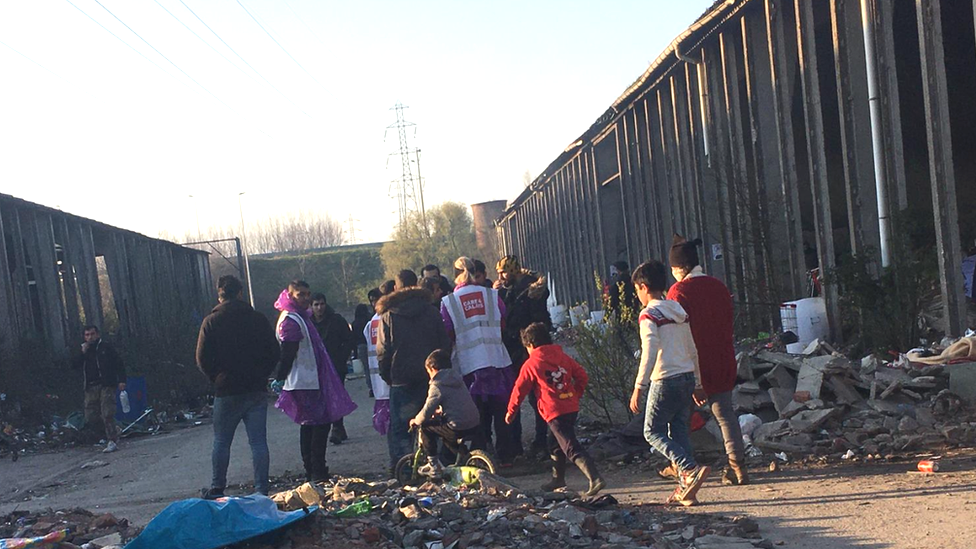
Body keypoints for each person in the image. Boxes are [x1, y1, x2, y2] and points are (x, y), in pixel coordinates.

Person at [628, 260, 710, 506]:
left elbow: (649, 349)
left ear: (643, 287)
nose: (637, 296)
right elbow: (692, 348)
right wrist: (697, 381)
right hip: (686, 376)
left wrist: (638, 386)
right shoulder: (677, 311)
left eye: (636, 290)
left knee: (651, 431)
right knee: (680, 430)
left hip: (665, 378)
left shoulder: (648, 315)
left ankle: (688, 468)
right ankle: (686, 488)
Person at [668, 235, 749, 485]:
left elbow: (678, 335)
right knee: (725, 415)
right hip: (723, 361)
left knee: (678, 419)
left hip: (692, 367)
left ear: (679, 268)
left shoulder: (678, 292)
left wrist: (695, 378)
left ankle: (683, 468)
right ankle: (738, 467)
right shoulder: (719, 286)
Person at [195, 275, 280, 499]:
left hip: (226, 390)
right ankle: (261, 489)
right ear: (240, 293)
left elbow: (201, 358)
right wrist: (262, 374)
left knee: (222, 441)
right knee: (258, 442)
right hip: (255, 389)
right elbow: (274, 351)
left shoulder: (211, 322)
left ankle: (217, 487)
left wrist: (216, 377)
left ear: (219, 294)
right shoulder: (258, 319)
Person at [505, 323, 605, 497]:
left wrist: (511, 412)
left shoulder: (531, 364)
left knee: (569, 445)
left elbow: (519, 390)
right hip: (570, 407)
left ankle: (595, 477)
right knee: (555, 444)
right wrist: (575, 394)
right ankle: (558, 479)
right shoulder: (563, 357)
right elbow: (582, 375)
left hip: (554, 411)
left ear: (530, 345)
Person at [271, 280, 357, 482]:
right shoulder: (292, 320)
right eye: (301, 294)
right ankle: (316, 469)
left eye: (307, 294)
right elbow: (288, 352)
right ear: (291, 296)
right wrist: (281, 377)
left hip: (308, 378)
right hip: (304, 380)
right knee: (317, 425)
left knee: (310, 425)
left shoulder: (300, 317)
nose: (306, 298)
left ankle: (314, 469)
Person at [441, 257, 515, 465]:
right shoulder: (492, 295)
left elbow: (448, 332)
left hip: (468, 365)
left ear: (456, 275)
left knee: (475, 415)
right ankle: (507, 455)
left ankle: (480, 456)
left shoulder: (449, 302)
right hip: (496, 360)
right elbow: (502, 321)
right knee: (501, 412)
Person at [376, 269, 452, 472]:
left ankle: (404, 471)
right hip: (432, 377)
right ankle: (439, 465)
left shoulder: (388, 315)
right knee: (435, 424)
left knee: (401, 429)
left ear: (395, 288)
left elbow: (383, 351)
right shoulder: (431, 310)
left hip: (402, 379)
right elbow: (444, 344)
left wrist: (388, 375)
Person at [494, 255, 551, 457]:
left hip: (527, 351)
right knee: (526, 398)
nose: (501, 276)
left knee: (532, 398)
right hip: (519, 350)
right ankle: (531, 442)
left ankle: (537, 442)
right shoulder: (508, 291)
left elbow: (537, 322)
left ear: (514, 271)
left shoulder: (530, 293)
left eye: (504, 272)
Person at [408, 349, 484, 476]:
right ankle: (461, 458)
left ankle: (433, 466)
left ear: (432, 368)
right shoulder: (457, 378)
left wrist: (416, 420)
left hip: (458, 426)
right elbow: (455, 401)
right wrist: (440, 411)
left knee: (426, 428)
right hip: (474, 422)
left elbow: (426, 413)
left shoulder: (437, 384)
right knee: (445, 431)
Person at [309, 293, 356, 445]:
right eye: (316, 304)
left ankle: (337, 427)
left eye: (321, 304)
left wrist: (341, 357)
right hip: (316, 366)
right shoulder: (308, 322)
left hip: (336, 365)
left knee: (335, 395)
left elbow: (349, 339)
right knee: (321, 398)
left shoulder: (336, 320)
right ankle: (332, 426)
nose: (319, 308)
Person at [71, 325, 126, 453]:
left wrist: (122, 380)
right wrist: (82, 353)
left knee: (107, 412)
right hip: (90, 386)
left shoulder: (106, 348)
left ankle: (112, 440)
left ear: (98, 334)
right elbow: (73, 365)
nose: (90, 337)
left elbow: (119, 363)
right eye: (87, 335)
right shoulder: (83, 350)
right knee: (91, 416)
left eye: (92, 334)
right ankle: (114, 430)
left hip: (106, 384)